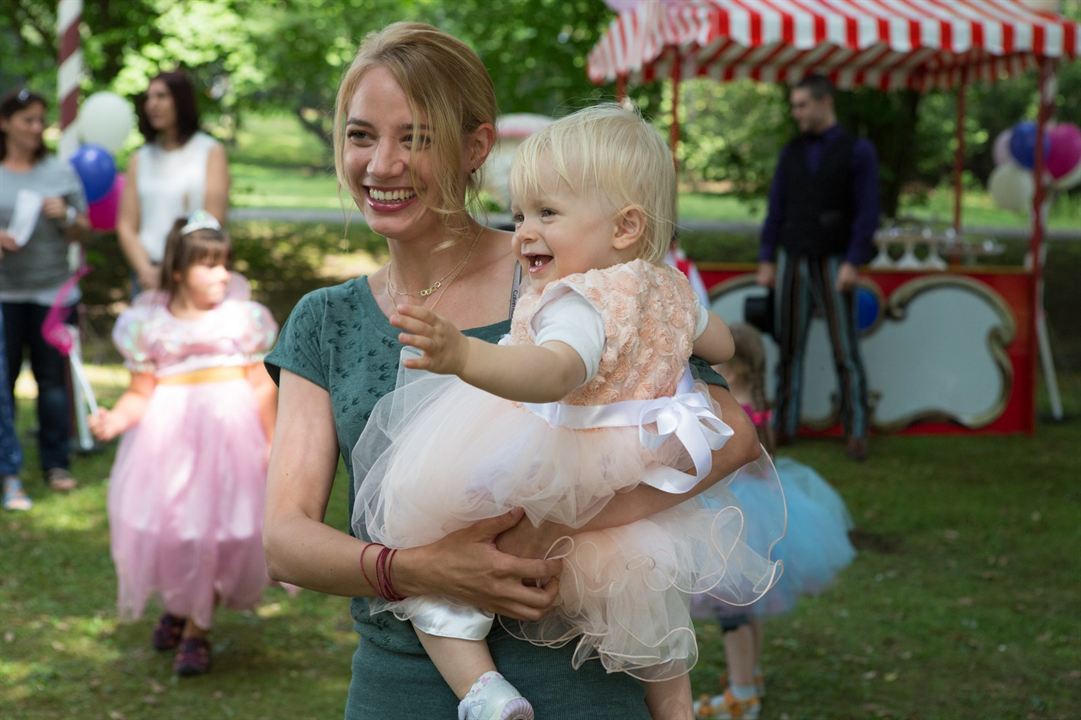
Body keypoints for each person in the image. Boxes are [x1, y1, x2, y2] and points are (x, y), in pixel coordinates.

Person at [262, 22, 764, 720]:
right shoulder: (325, 319)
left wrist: (546, 538)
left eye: (416, 137)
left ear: (475, 147)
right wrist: (415, 570)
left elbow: (731, 436)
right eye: (360, 135)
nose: (381, 165)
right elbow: (284, 541)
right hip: (397, 687)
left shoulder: (567, 271)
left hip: (577, 682)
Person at [88, 212, 278, 676]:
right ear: (177, 271)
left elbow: (260, 385)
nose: (221, 275)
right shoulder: (148, 325)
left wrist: (273, 442)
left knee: (223, 530)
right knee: (175, 530)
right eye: (207, 265)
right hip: (169, 441)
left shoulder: (243, 319)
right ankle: (179, 604)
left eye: (223, 264)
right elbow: (140, 392)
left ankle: (198, 626)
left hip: (232, 441)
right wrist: (115, 420)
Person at [694, 323, 856, 719]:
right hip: (761, 507)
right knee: (749, 604)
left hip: (736, 515)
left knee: (729, 607)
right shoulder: (755, 399)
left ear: (737, 367)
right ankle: (749, 676)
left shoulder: (732, 403)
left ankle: (742, 693)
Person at [756, 74, 879, 461]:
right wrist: (766, 257)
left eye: (802, 105)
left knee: (846, 349)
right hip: (792, 256)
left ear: (825, 102)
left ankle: (857, 428)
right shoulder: (790, 152)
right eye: (794, 105)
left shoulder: (857, 150)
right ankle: (784, 424)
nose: (796, 113)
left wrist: (854, 260)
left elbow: (868, 210)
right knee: (789, 345)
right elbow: (776, 208)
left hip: (834, 259)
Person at [0, 87, 90, 494]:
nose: (37, 128)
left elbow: (85, 228)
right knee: (4, 383)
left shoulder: (59, 172)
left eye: (41, 120)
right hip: (5, 295)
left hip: (52, 294)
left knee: (52, 381)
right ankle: (8, 467)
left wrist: (67, 215)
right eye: (28, 120)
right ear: (5, 123)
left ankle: (56, 463)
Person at [117, 70, 229, 294]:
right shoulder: (140, 158)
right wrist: (145, 270)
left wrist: (175, 270)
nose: (152, 105)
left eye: (161, 96)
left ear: (181, 100)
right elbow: (126, 225)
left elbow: (213, 220)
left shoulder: (209, 151)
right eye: (149, 98)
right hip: (147, 274)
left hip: (193, 274)